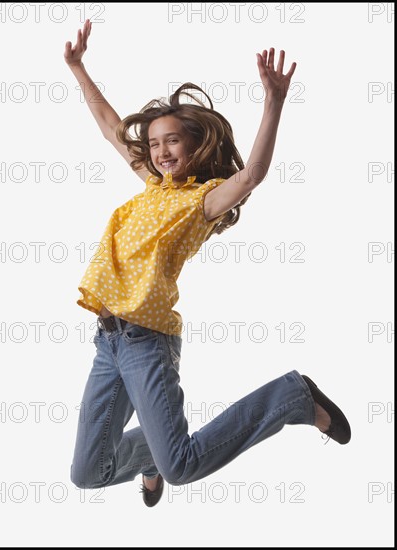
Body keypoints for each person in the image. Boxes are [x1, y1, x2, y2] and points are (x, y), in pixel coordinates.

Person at [65, 20, 351, 508]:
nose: (160, 152)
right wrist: (78, 67)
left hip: (146, 343)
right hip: (107, 341)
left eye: (172, 141)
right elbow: (112, 128)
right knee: (89, 472)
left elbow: (253, 175)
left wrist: (273, 104)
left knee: (183, 466)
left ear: (195, 146)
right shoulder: (153, 186)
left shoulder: (200, 201)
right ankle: (151, 457)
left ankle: (292, 397)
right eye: (154, 144)